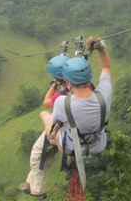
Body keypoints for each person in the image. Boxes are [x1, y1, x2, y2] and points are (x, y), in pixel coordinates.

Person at [41, 36, 112, 188]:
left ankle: (55, 150)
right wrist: (101, 47)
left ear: (67, 82)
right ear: (89, 77)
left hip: (71, 146)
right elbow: (106, 68)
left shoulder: (62, 103)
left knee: (45, 116)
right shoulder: (104, 94)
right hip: (98, 144)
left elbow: (55, 124)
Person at [18, 54, 69, 198]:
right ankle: (30, 181)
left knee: (37, 153)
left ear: (58, 78)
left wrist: (54, 84)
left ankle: (38, 190)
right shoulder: (84, 86)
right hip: (71, 129)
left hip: (63, 131)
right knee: (45, 153)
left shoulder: (62, 96)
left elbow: (46, 101)